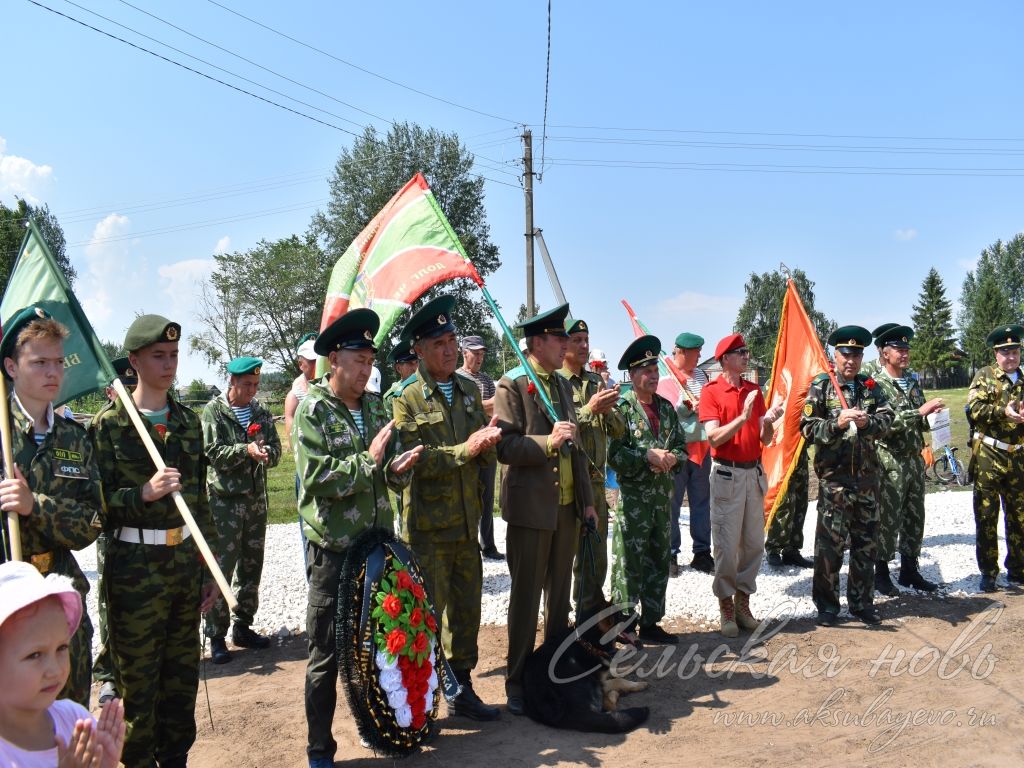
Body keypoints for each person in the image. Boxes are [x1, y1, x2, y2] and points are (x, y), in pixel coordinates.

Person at [293, 309, 421, 768]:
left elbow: (381, 472)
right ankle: (319, 750)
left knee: (378, 647)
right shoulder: (312, 410)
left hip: (376, 546)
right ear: (334, 361)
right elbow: (317, 477)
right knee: (326, 657)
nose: (367, 369)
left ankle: (379, 726)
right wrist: (370, 461)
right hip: (334, 553)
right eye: (359, 359)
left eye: (370, 360)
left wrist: (396, 471)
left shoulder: (373, 406)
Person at [90, 314, 219, 768]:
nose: (169, 365)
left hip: (183, 565)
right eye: (158, 356)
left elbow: (201, 501)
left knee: (181, 679)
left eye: (174, 356)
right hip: (134, 572)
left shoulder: (188, 423)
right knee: (137, 686)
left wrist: (207, 568)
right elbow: (97, 507)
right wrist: (142, 494)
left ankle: (177, 757)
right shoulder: (110, 426)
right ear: (135, 361)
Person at [392, 296, 502, 721]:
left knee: (465, 610)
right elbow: (415, 460)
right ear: (418, 350)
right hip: (427, 530)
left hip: (465, 525)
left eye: (452, 340)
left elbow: (480, 456)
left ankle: (462, 687)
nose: (450, 349)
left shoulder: (468, 392)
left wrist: (490, 446)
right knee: (425, 618)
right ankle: (421, 701)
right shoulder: (404, 399)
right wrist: (466, 450)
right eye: (439, 343)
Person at [494, 303, 597, 717]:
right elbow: (504, 446)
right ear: (538, 342)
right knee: (525, 600)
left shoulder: (559, 386)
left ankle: (552, 672)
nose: (566, 345)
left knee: (559, 602)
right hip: (532, 511)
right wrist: (546, 444)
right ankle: (517, 680)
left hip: (567, 508)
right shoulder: (513, 385)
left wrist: (588, 502)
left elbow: (576, 449)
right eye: (559, 338)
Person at [0, 306, 104, 708]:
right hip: (8, 601)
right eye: (39, 362)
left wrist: (34, 506)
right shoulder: (2, 435)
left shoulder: (74, 437)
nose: (53, 372)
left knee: (68, 717)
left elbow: (93, 522)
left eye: (58, 362)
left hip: (60, 595)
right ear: (11, 366)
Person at [800, 326, 894, 627]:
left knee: (866, 545)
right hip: (835, 482)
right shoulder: (822, 386)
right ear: (834, 355)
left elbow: (888, 418)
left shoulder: (869, 386)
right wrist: (836, 423)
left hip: (866, 480)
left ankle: (862, 602)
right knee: (830, 546)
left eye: (856, 355)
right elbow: (807, 428)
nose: (850, 360)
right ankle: (827, 606)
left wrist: (868, 422)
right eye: (845, 354)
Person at [0, 561, 125, 766]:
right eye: (34, 655)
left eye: (61, 648)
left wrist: (104, 764)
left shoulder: (75, 719)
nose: (55, 669)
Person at [699, 333, 783, 637]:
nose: (747, 356)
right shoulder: (711, 392)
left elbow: (763, 438)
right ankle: (727, 608)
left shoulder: (753, 389)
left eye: (747, 352)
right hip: (727, 476)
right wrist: (744, 416)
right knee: (725, 545)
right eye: (740, 352)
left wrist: (769, 420)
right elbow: (713, 437)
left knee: (753, 544)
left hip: (753, 474)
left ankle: (743, 603)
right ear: (725, 359)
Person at [201, 357, 282, 664]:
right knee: (221, 569)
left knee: (251, 566)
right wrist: (245, 450)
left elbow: (276, 450)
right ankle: (216, 636)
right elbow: (212, 453)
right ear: (232, 381)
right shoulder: (214, 411)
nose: (252, 390)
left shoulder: (260, 411)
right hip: (225, 504)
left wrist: (266, 454)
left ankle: (243, 627)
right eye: (247, 384)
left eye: (256, 385)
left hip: (255, 502)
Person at [608, 335, 686, 643]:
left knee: (658, 560)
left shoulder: (666, 409)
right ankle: (624, 626)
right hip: (634, 502)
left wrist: (670, 458)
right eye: (645, 370)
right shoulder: (623, 409)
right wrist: (646, 456)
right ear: (632, 375)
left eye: (654, 368)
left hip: (661, 500)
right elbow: (613, 454)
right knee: (629, 563)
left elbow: (682, 449)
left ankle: (652, 623)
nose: (652, 375)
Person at [862, 325, 945, 595]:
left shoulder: (911, 380)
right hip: (889, 459)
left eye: (907, 349)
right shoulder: (875, 384)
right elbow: (880, 424)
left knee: (914, 515)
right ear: (885, 353)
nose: (905, 354)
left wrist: (933, 417)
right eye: (899, 349)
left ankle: (910, 569)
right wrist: (919, 411)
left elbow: (919, 418)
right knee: (887, 517)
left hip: (913, 459)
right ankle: (882, 573)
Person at [559, 317, 624, 615]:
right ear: (564, 344)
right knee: (568, 557)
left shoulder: (594, 383)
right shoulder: (556, 382)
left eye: (586, 340)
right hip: (570, 484)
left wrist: (608, 410)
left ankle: (591, 619)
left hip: (596, 483)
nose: (584, 346)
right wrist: (590, 409)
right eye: (577, 341)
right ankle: (567, 624)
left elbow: (619, 431)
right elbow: (563, 428)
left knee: (596, 559)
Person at [93, 356, 137, 706]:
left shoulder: (149, 422)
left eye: (132, 384)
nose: (128, 391)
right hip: (113, 532)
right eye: (122, 385)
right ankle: (108, 675)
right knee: (110, 602)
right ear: (111, 390)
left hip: (145, 536)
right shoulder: (103, 425)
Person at [967, 324, 1024, 592]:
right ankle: (988, 572)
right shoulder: (985, 376)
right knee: (987, 515)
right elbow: (974, 410)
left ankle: (1018, 568)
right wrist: (1004, 411)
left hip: (1018, 457)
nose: (1010, 358)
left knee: (1019, 516)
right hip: (990, 455)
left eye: (1014, 352)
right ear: (996, 354)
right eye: (1005, 353)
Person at [669, 332, 714, 575]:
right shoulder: (667, 375)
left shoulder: (702, 375)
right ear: (682, 352)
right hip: (676, 449)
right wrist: (687, 407)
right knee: (672, 503)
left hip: (701, 447)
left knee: (701, 502)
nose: (700, 356)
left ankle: (702, 552)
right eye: (696, 352)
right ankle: (671, 554)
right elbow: (665, 410)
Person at [457, 334, 503, 560]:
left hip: (487, 445)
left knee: (487, 497)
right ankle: (469, 545)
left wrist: (483, 408)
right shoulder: (456, 378)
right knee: (467, 496)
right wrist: (483, 407)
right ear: (464, 353)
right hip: (465, 444)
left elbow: (497, 409)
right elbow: (465, 411)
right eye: (475, 353)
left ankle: (488, 545)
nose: (479, 358)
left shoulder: (485, 380)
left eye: (482, 354)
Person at [765, 440, 814, 568]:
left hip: (800, 451)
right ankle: (774, 548)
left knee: (800, 501)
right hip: (783, 452)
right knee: (783, 501)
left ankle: (791, 549)